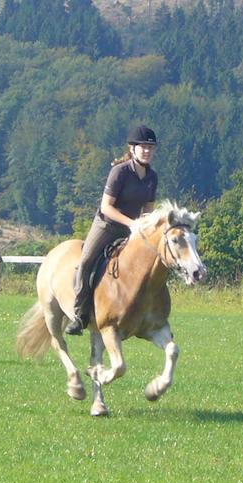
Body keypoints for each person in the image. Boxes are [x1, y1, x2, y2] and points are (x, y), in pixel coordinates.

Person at [65, 124, 159, 335]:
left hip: (132, 231)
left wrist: (144, 228)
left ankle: (148, 315)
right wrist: (131, 223)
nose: (147, 151)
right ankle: (79, 315)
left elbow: (148, 211)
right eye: (143, 147)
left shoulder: (152, 177)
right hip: (106, 226)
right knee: (86, 262)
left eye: (151, 148)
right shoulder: (119, 172)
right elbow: (106, 207)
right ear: (132, 149)